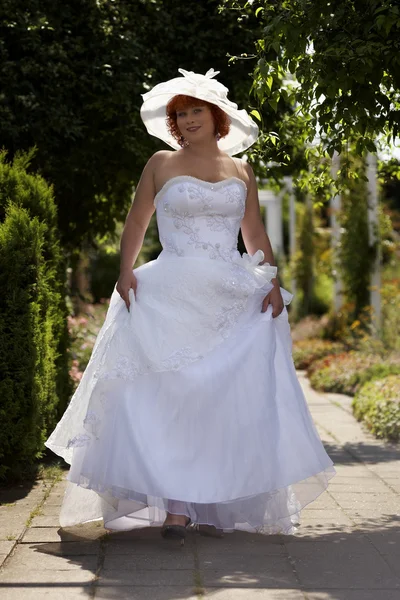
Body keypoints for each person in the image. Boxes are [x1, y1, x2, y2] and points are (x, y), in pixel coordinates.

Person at [45, 68, 335, 545]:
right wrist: (125, 269)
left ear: (217, 115)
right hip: (171, 289)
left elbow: (254, 233)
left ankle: (207, 501)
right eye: (180, 113)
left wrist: (272, 280)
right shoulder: (160, 162)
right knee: (169, 397)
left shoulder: (241, 170)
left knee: (220, 401)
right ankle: (176, 506)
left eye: (196, 110)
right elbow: (137, 220)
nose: (187, 119)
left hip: (230, 293)